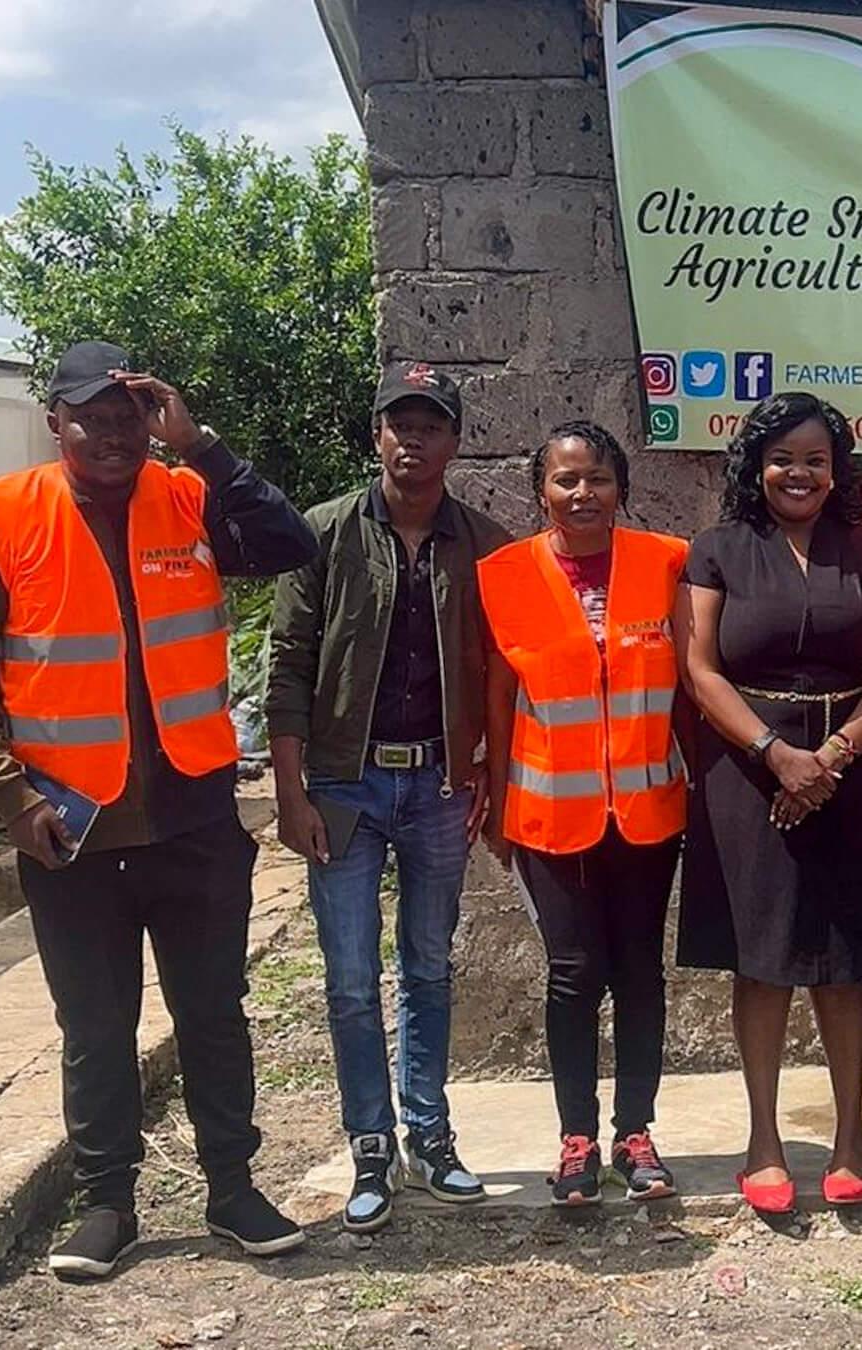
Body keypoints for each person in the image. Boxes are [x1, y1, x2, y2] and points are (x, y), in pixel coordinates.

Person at [0, 341, 318, 1278]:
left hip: (194, 816)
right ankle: (108, 1205)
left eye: (128, 416)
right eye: (89, 417)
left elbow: (289, 545)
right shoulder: (2, 518)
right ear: (54, 421)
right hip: (72, 827)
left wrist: (207, 448)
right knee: (95, 1024)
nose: (110, 433)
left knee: (214, 1012)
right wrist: (10, 798)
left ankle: (232, 1189)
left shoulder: (187, 496)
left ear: (152, 420)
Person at [267, 362, 507, 1232]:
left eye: (431, 424)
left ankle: (431, 1136)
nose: (413, 439)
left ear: (454, 440)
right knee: (349, 977)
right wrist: (288, 793)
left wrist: (491, 771)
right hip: (341, 784)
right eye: (398, 423)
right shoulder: (320, 534)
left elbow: (502, 669)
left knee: (430, 965)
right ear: (376, 435)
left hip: (441, 783)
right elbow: (286, 666)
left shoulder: (484, 542)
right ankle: (372, 1144)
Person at [674, 392, 862, 1214]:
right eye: (783, 458)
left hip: (857, 770)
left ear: (837, 469)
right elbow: (701, 668)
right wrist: (777, 756)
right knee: (764, 958)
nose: (799, 474)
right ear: (756, 466)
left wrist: (834, 755)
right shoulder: (716, 550)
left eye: (815, 459)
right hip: (748, 774)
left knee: (842, 961)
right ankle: (765, 1140)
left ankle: (852, 1136)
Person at [477, 422, 690, 1207]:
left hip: (645, 810)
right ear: (542, 493)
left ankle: (636, 1133)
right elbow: (500, 697)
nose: (582, 493)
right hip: (547, 813)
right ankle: (576, 1138)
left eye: (597, 478)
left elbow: (690, 686)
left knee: (639, 971)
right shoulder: (502, 575)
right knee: (573, 973)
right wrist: (498, 803)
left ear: (621, 488)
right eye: (566, 480)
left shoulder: (667, 563)